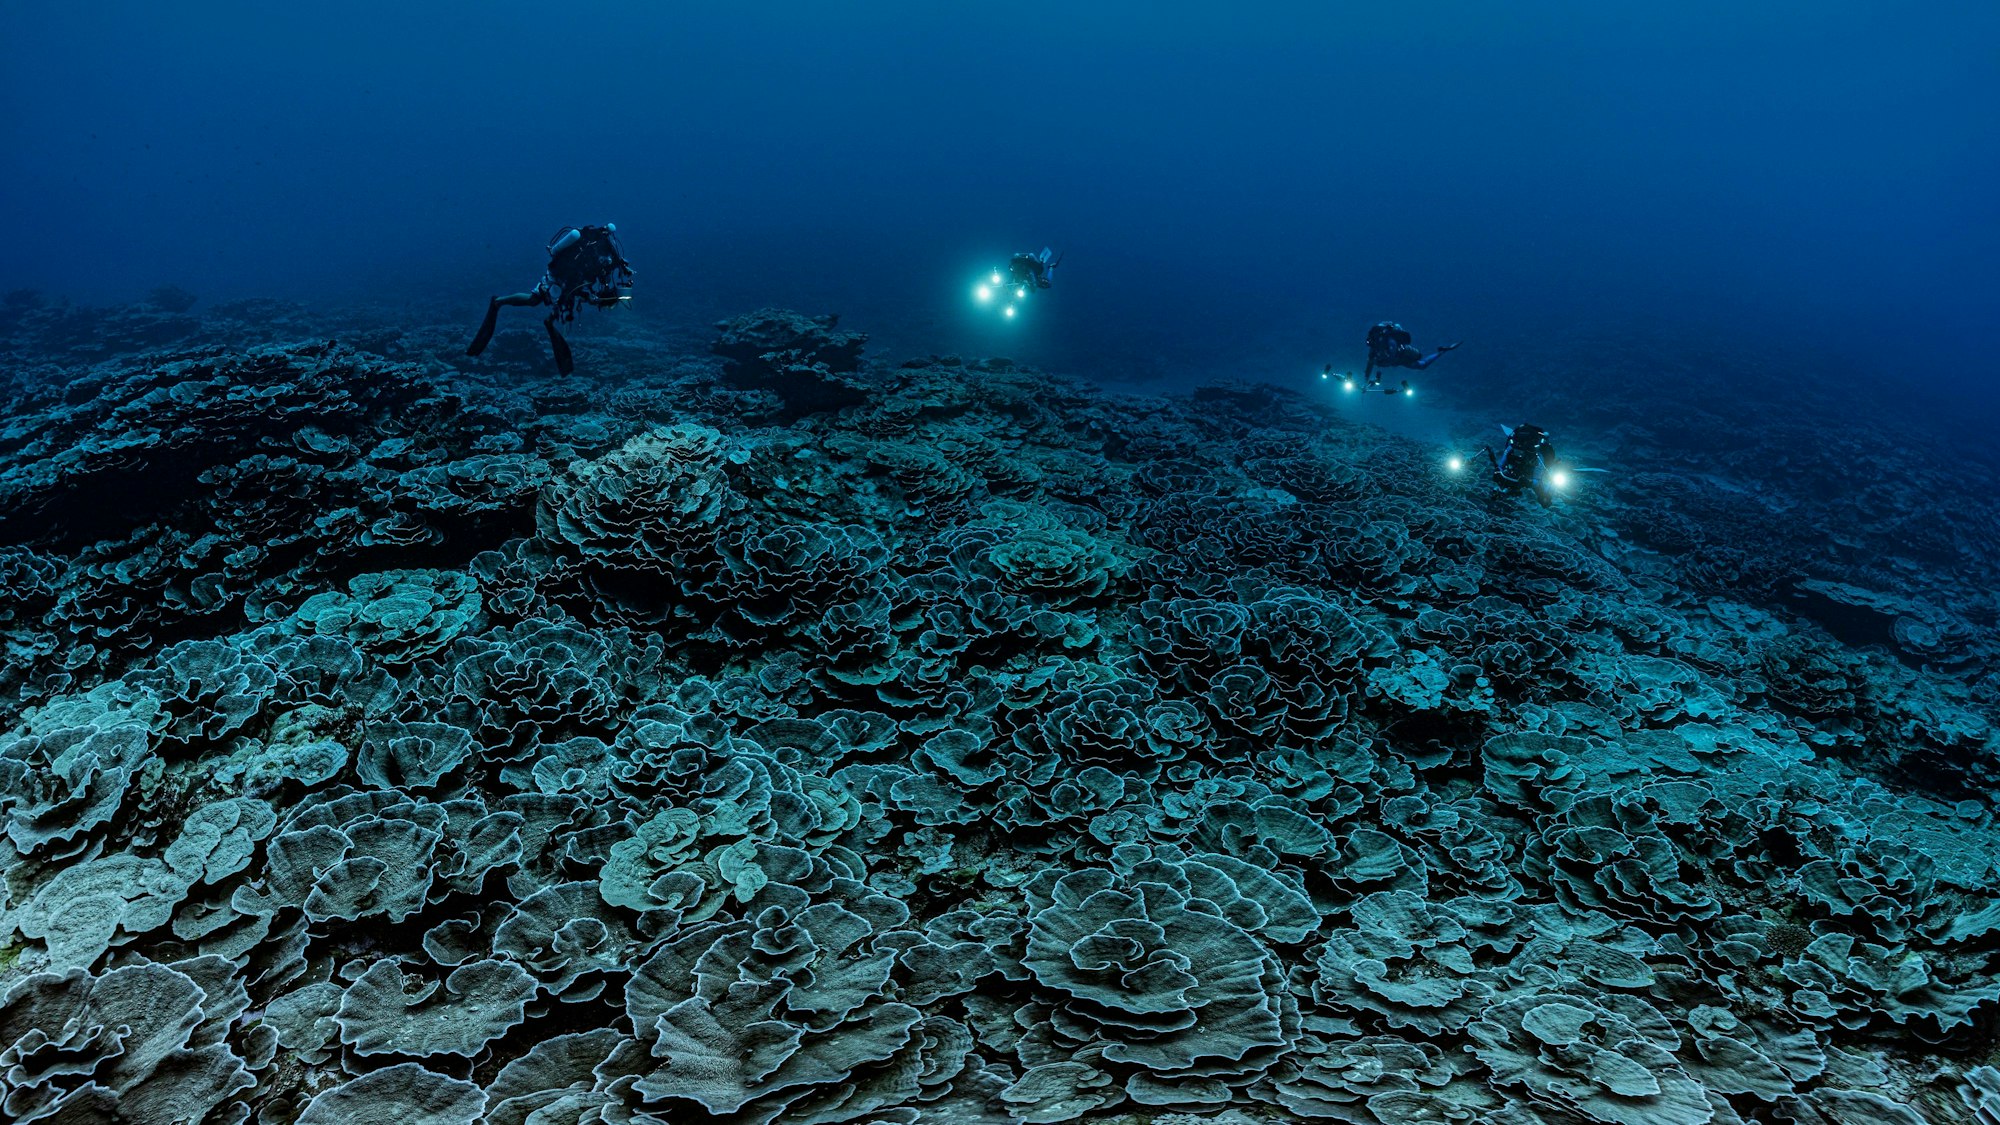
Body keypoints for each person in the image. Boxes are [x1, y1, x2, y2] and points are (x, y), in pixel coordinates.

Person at [467, 223, 634, 374]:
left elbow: (604, 274)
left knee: (557, 304)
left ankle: (548, 321)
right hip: (559, 278)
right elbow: (595, 273)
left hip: (572, 281)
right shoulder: (592, 250)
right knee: (534, 300)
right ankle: (498, 302)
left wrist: (609, 287)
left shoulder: (603, 253)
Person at [1482, 423, 1560, 506]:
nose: (1520, 453)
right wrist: (1498, 472)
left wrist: (1528, 482)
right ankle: (1504, 492)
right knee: (1505, 480)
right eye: (1518, 447)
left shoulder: (1537, 454)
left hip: (1530, 474)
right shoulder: (1512, 447)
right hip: (1517, 473)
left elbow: (1537, 479)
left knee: (1545, 501)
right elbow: (1501, 466)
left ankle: (1555, 473)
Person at [1363, 322, 1458, 389]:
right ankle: (1442, 351)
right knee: (1422, 365)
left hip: (1404, 354)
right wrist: (1365, 381)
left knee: (1422, 364)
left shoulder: (1389, 341)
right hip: (1397, 359)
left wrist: (1381, 362)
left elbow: (1391, 357)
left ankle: (1441, 351)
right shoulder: (1375, 346)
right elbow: (1370, 363)